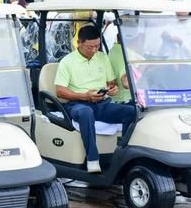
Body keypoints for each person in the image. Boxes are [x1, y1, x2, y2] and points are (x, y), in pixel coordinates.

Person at [54, 25, 134, 173]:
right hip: (77, 103)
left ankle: (123, 154)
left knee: (132, 111)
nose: (94, 50)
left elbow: (111, 83)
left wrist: (113, 89)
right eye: (90, 47)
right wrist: (84, 96)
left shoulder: (102, 57)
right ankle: (92, 159)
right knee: (85, 113)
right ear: (79, 43)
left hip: (102, 102)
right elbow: (60, 91)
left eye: (97, 46)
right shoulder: (67, 61)